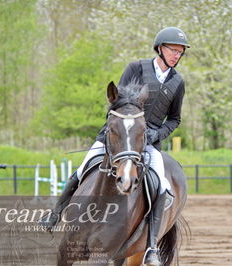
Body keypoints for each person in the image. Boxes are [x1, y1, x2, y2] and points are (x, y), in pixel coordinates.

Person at [40, 26, 190, 265]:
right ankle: (55, 214)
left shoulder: (177, 82)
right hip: (119, 135)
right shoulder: (136, 67)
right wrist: (120, 130)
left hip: (147, 142)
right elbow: (117, 100)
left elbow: (175, 119)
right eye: (173, 50)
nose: (176, 55)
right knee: (82, 169)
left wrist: (156, 134)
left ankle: (151, 248)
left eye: (180, 52)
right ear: (160, 49)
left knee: (161, 184)